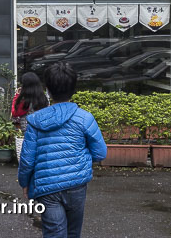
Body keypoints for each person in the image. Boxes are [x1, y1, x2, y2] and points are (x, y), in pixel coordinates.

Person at [18, 62, 106, 238]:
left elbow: (27, 160)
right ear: (74, 88)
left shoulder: (35, 121)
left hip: (46, 186)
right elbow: (100, 153)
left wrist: (24, 183)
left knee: (53, 233)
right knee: (73, 233)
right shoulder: (85, 118)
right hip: (77, 184)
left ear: (48, 89)